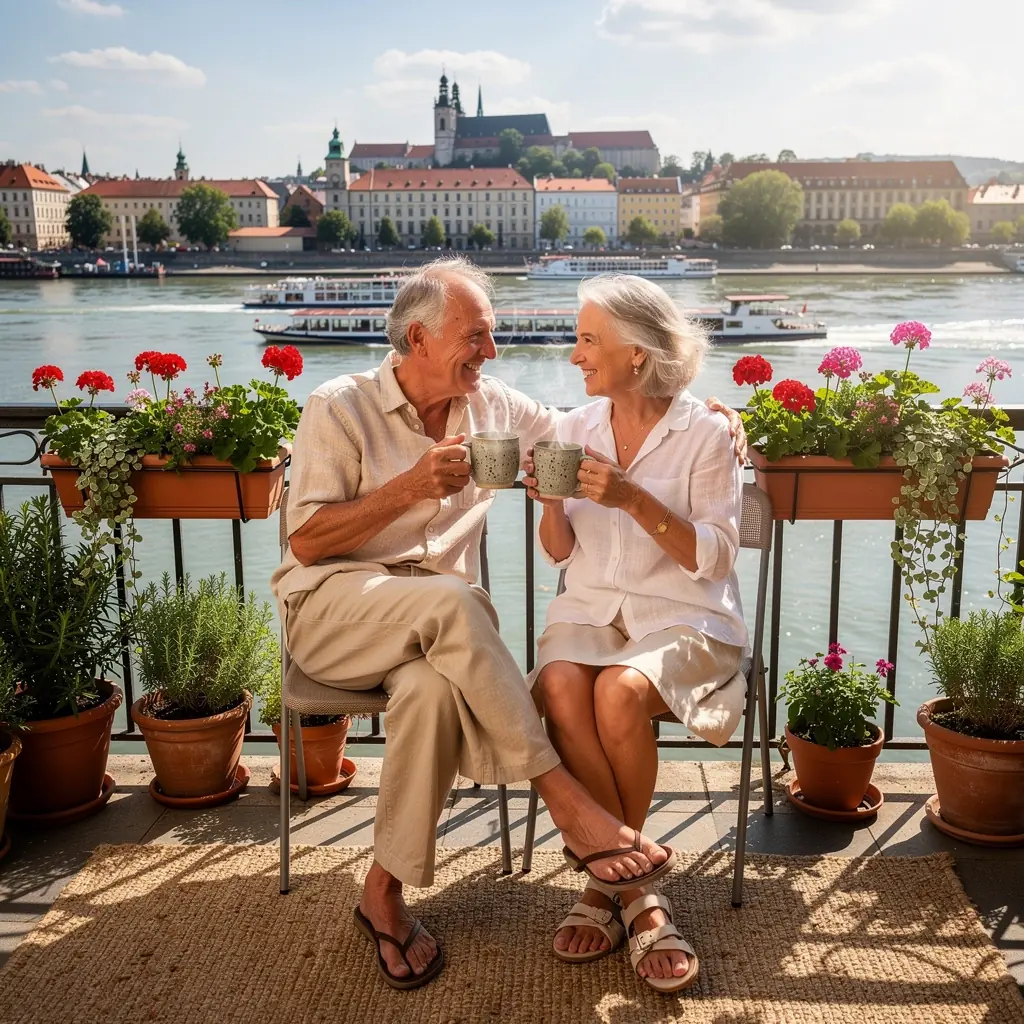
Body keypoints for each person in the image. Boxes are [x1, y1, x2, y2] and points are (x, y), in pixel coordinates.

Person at [271, 256, 743, 990]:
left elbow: (617, 419)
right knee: (461, 602)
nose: (490, 353)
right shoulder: (339, 406)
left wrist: (710, 408)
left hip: (431, 633)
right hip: (337, 610)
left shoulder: (493, 409)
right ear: (419, 339)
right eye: (477, 337)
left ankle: (383, 895)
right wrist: (408, 488)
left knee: (432, 688)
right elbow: (305, 543)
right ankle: (568, 803)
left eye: (490, 338)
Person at [523, 274, 749, 995]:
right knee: (560, 682)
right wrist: (551, 504)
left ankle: (615, 891)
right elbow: (558, 553)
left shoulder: (707, 432)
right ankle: (633, 885)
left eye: (589, 339)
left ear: (638, 355)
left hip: (685, 615)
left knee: (618, 693)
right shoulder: (571, 429)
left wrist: (631, 497)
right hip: (590, 611)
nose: (574, 355)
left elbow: (712, 556)